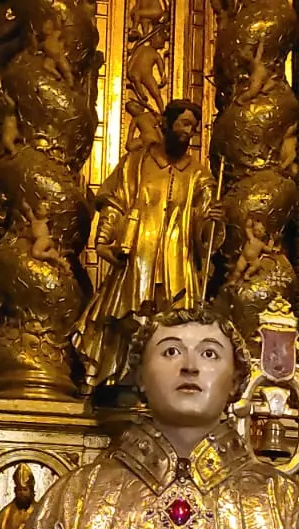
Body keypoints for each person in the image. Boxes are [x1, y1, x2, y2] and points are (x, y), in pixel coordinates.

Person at [20, 307, 299, 529]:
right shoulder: (74, 497)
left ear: (237, 379)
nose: (190, 366)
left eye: (210, 353)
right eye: (170, 351)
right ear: (140, 376)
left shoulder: (283, 502)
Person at [76, 99, 224, 391]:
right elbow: (115, 203)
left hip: (177, 258)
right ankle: (127, 378)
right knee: (129, 318)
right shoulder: (137, 163)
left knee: (175, 324)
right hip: (138, 254)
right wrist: (104, 240)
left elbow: (205, 229)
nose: (187, 132)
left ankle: (166, 382)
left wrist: (212, 220)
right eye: (183, 124)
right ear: (165, 124)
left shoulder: (199, 175)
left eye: (193, 127)